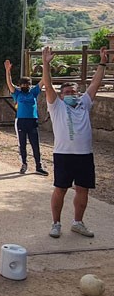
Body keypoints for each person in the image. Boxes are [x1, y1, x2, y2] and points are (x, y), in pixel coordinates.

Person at [42, 46, 108, 239]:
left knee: (83, 189)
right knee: (60, 189)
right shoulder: (57, 106)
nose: (72, 94)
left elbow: (95, 83)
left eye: (74, 91)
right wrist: (46, 64)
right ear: (61, 95)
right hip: (64, 154)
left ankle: (78, 222)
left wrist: (102, 63)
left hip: (84, 155)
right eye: (68, 92)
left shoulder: (84, 104)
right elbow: (47, 85)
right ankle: (56, 223)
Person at [4, 59, 47, 176]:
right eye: (23, 84)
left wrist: (46, 65)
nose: (25, 86)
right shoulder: (17, 93)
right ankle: (24, 164)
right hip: (21, 121)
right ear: (20, 85)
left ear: (30, 85)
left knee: (35, 144)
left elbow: (43, 81)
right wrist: (7, 71)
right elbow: (10, 84)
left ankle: (39, 165)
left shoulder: (33, 92)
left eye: (27, 84)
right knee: (22, 143)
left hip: (32, 121)